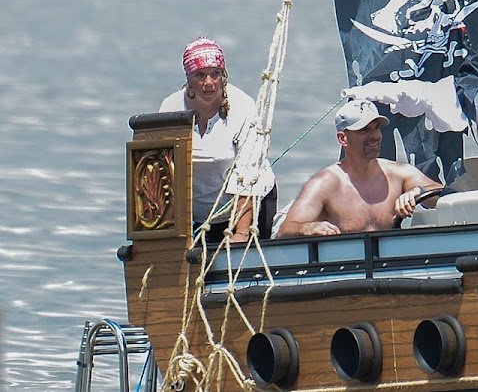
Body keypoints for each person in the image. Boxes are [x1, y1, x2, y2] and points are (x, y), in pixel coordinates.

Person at [159, 37, 277, 244]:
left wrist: (240, 234)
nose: (209, 83)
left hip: (246, 205)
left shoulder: (243, 106)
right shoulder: (171, 107)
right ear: (188, 78)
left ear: (224, 75)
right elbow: (161, 168)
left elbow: (248, 173)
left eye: (215, 74)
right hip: (198, 215)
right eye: (200, 75)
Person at [276, 99, 442, 237]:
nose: (375, 135)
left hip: (390, 265)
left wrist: (418, 191)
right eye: (364, 130)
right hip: (345, 268)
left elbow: (448, 196)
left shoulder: (399, 173)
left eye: (376, 128)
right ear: (343, 139)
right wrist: (307, 228)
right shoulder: (326, 183)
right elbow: (286, 229)